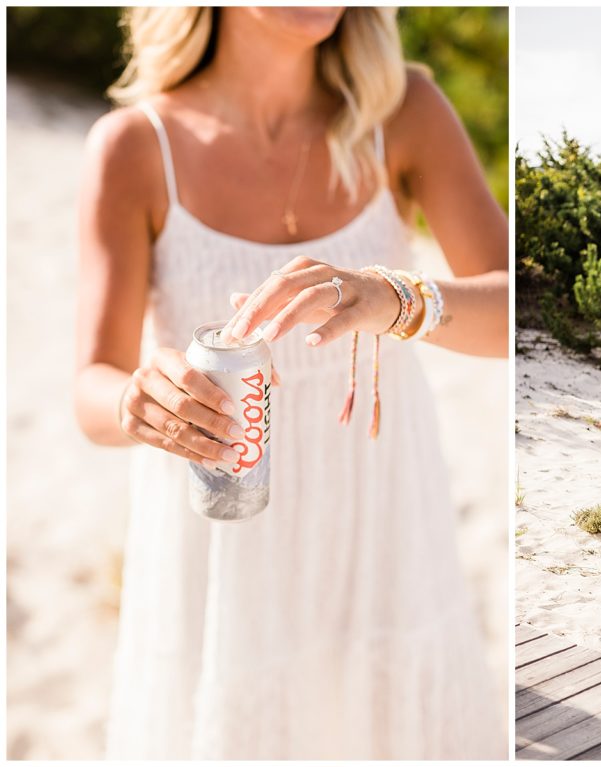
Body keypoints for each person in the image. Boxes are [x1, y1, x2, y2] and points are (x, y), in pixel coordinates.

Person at [73, 7, 507, 759]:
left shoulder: (403, 112)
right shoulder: (135, 148)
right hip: (224, 555)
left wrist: (394, 297)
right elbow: (90, 386)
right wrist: (135, 399)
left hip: (383, 530)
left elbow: (512, 314)